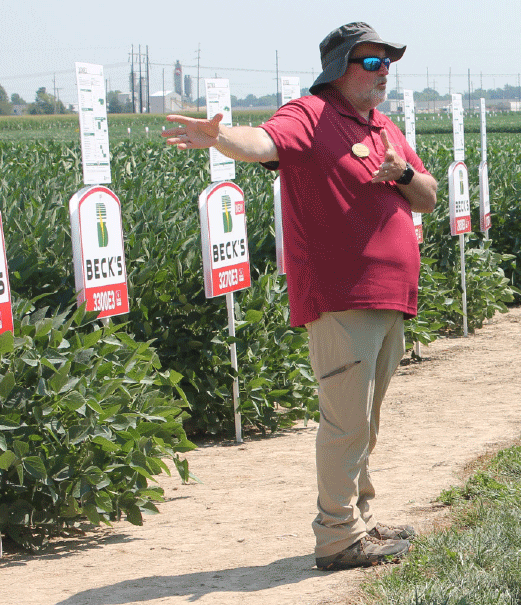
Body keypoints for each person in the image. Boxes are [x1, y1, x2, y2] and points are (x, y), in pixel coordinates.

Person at [162, 22, 438, 571]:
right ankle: (337, 537)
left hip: (389, 297)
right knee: (345, 419)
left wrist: (402, 171)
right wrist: (218, 136)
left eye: (388, 63)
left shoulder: (383, 127)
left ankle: (358, 514)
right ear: (340, 67)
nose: (384, 73)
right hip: (342, 297)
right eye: (372, 62)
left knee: (367, 417)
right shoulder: (310, 115)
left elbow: (427, 196)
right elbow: (263, 141)